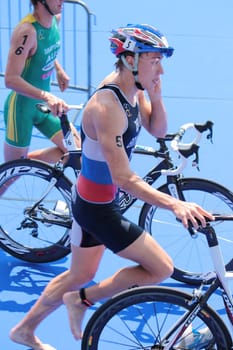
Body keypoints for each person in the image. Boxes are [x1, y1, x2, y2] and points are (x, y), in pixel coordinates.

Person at [10, 23, 214, 350]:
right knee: (160, 267)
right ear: (131, 59)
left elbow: (157, 129)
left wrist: (157, 94)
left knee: (77, 273)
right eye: (154, 60)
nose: (160, 68)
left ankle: (25, 329)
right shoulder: (107, 107)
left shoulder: (133, 88)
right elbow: (123, 178)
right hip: (97, 208)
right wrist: (175, 204)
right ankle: (81, 300)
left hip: (93, 200)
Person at [4, 0, 81, 163]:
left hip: (44, 107)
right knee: (11, 174)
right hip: (21, 110)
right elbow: (11, 79)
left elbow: (43, 48)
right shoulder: (26, 32)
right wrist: (47, 96)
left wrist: (58, 69)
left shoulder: (55, 18)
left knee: (77, 151)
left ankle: (28, 161)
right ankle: (21, 161)